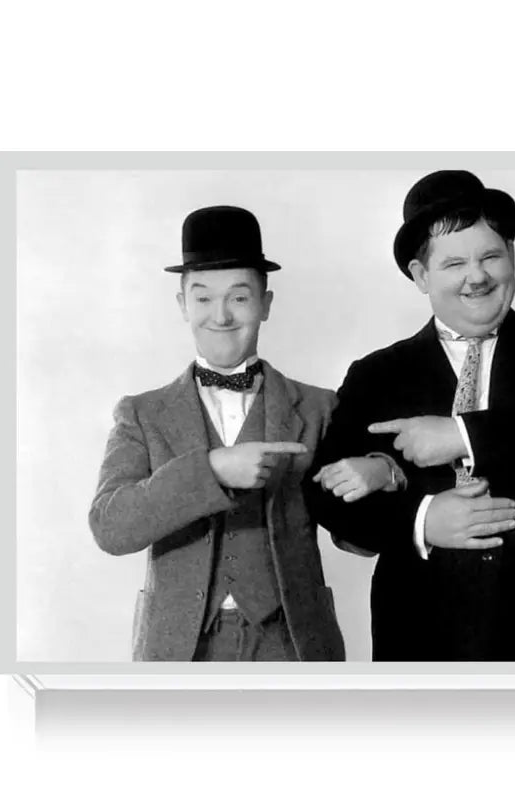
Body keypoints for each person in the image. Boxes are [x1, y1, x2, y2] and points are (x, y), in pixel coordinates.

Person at [306, 170, 515, 661]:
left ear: (512, 256)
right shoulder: (377, 374)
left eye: (490, 256)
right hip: (427, 634)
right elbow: (327, 497)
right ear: (421, 275)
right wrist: (422, 519)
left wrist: (462, 435)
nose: (476, 276)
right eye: (454, 263)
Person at [89, 205, 399, 662]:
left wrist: (383, 473)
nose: (221, 316)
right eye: (203, 299)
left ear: (265, 304)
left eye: (239, 297)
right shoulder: (142, 413)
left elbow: (359, 540)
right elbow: (110, 528)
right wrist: (210, 470)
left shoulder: (319, 407)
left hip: (293, 646)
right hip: (178, 650)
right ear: (182, 305)